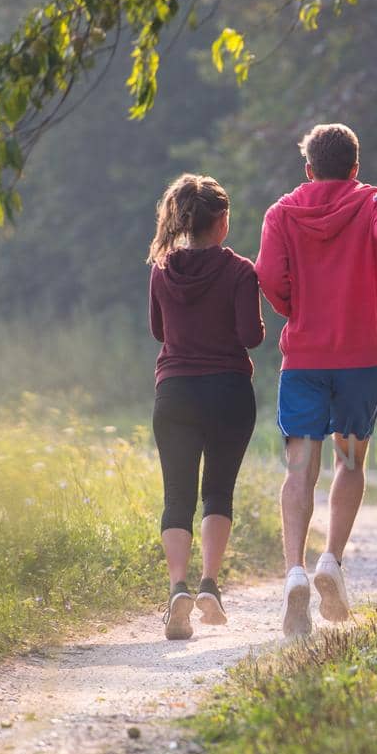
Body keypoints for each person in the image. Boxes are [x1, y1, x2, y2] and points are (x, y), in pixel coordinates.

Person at [255, 123, 377, 639]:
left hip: (304, 361)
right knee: (349, 462)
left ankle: (296, 571)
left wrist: (292, 308)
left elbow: (266, 274)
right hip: (359, 361)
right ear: (355, 167)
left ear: (308, 169)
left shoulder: (282, 212)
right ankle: (331, 561)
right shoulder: (375, 201)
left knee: (300, 467)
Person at [147, 173, 265, 640]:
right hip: (228, 392)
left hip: (174, 392)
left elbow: (159, 332)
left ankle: (178, 588)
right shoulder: (240, 271)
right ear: (222, 222)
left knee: (176, 495)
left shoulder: (162, 270)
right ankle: (209, 586)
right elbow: (251, 337)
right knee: (218, 492)